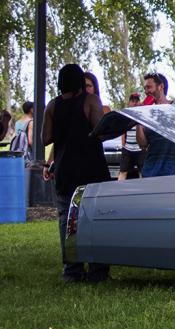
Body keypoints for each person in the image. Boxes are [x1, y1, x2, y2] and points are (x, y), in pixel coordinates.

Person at [40, 63, 110, 283]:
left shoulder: (52, 105)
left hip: (64, 171)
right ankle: (98, 270)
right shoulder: (90, 101)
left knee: (66, 220)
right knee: (95, 219)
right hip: (91, 170)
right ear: (81, 81)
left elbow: (45, 138)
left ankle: (72, 270)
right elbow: (100, 131)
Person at [137, 72, 175, 177]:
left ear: (161, 87)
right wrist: (138, 120)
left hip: (172, 171)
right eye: (145, 88)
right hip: (149, 171)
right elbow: (142, 144)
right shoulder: (146, 112)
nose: (146, 91)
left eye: (149, 87)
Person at [117, 91, 145, 180]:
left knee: (142, 173)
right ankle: (118, 192)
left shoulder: (143, 115)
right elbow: (123, 132)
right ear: (129, 102)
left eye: (136, 101)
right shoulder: (125, 115)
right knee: (123, 172)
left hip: (140, 149)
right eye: (132, 101)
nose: (134, 103)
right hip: (127, 149)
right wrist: (123, 146)